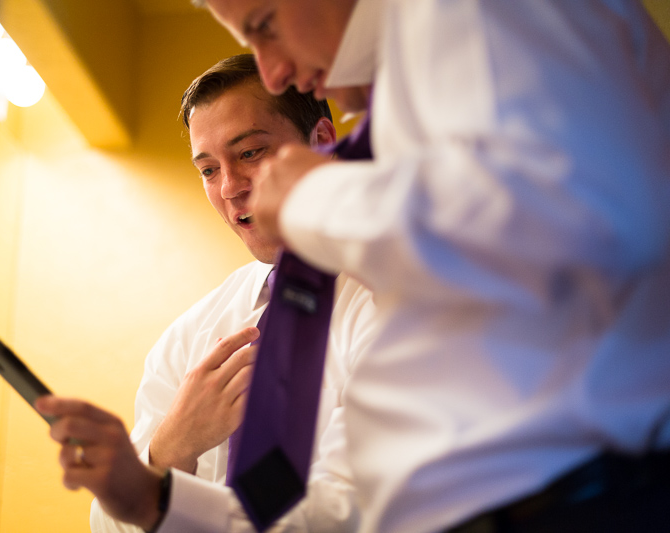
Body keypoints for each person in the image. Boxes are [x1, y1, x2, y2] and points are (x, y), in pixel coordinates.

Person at [194, 0, 670, 532]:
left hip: (567, 500)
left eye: (265, 26)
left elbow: (580, 216)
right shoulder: (415, 72)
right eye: (208, 168)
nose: (274, 73)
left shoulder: (467, 11)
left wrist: (317, 199)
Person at [37, 54, 377, 532]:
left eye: (250, 153)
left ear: (321, 143)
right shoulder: (188, 339)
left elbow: (351, 512)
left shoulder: (391, 302)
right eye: (208, 170)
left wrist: (155, 499)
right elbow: (111, 525)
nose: (230, 187)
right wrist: (169, 449)